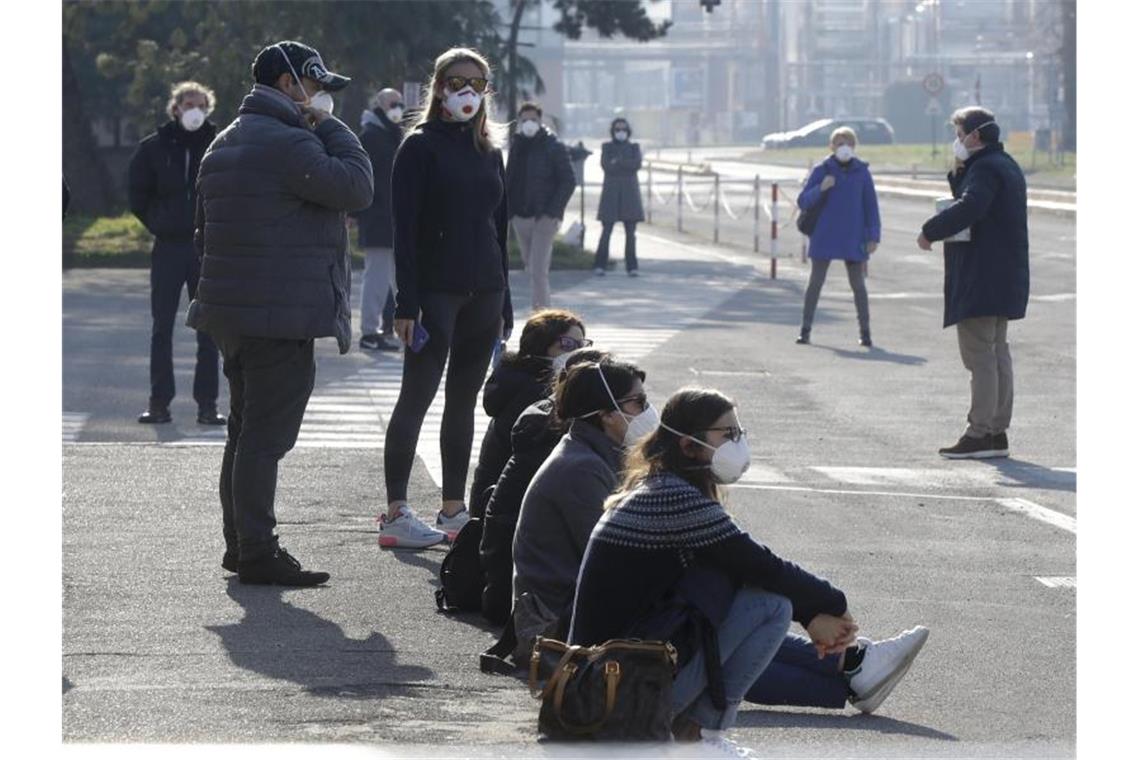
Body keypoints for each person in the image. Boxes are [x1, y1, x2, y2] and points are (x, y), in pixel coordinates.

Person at [569, 388, 928, 739]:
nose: (737, 442)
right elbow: (760, 563)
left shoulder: (662, 487)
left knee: (741, 592)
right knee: (770, 606)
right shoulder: (671, 498)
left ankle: (853, 662)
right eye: (728, 434)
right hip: (611, 692)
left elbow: (744, 567)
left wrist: (816, 614)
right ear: (689, 444)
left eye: (739, 432)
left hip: (611, 680)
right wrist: (832, 606)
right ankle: (702, 735)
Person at [187, 41, 373, 586]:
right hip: (277, 313)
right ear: (289, 84)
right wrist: (334, 128)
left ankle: (241, 544)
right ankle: (259, 551)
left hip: (232, 309)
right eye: (314, 86)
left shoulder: (226, 139)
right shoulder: (291, 143)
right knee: (265, 439)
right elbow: (358, 186)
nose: (318, 97)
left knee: (245, 433)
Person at [378, 47, 514, 549]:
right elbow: (404, 231)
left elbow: (498, 230)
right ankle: (395, 512)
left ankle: (453, 510)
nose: (467, 91)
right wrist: (405, 304)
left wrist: (505, 303)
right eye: (457, 81)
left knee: (463, 402)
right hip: (435, 295)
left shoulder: (490, 151)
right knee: (416, 397)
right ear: (438, 87)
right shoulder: (419, 147)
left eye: (477, 84)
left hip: (485, 291)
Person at [511, 360, 652, 644]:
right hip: (558, 625)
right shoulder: (581, 468)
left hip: (576, 609)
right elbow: (612, 557)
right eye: (638, 402)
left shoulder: (597, 454)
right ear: (606, 415)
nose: (647, 410)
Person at [918, 107, 1028, 460]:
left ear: (974, 136)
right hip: (1003, 275)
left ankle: (980, 432)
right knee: (997, 354)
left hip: (982, 275)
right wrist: (959, 171)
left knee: (980, 356)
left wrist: (930, 231)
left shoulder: (985, 169)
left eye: (959, 132)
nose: (956, 139)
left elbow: (971, 206)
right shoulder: (1005, 164)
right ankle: (996, 431)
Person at [479, 347, 609, 626]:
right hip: (536, 610)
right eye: (634, 401)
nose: (641, 411)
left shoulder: (558, 424)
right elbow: (602, 549)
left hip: (512, 588)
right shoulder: (574, 455)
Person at [128, 80, 225, 425]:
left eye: (200, 104)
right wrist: (158, 222)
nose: (194, 110)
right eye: (188, 104)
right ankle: (159, 403)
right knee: (161, 328)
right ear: (176, 108)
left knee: (208, 330)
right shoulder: (155, 147)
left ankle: (207, 405)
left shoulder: (219, 145)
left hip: (205, 248)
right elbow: (136, 191)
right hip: (168, 247)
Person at [468, 308, 589, 518]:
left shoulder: (513, 377)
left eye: (582, 345)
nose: (577, 353)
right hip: (505, 513)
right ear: (542, 344)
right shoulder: (536, 392)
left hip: (493, 505)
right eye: (568, 345)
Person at [795, 126, 881, 347]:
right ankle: (805, 330)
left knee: (858, 285)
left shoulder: (862, 171)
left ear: (854, 147)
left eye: (848, 143)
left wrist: (873, 236)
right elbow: (803, 201)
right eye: (839, 143)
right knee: (815, 282)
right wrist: (821, 188)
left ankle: (866, 332)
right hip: (824, 235)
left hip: (853, 237)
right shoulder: (821, 170)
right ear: (831, 146)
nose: (844, 148)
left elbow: (871, 207)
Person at [505, 102, 577, 310]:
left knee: (538, 270)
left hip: (544, 217)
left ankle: (542, 317)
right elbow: (510, 178)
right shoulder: (517, 144)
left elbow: (568, 180)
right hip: (520, 217)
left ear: (540, 120)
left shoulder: (553, 145)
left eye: (533, 120)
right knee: (531, 266)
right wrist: (509, 212)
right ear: (520, 121)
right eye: (525, 120)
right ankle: (542, 312)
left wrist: (553, 211)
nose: (529, 124)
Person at [353, 87, 405, 351]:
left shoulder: (396, 134)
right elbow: (362, 177)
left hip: (397, 218)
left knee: (400, 278)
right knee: (377, 277)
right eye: (392, 103)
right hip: (378, 217)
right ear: (380, 106)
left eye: (400, 103)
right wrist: (354, 212)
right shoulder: (372, 136)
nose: (398, 107)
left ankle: (397, 328)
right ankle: (370, 332)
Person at [594, 117, 645, 277]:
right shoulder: (607, 147)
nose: (620, 132)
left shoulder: (634, 147)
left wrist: (619, 162)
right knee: (606, 231)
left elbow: (636, 164)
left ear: (628, 131)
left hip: (630, 195)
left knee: (631, 234)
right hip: (611, 194)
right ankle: (600, 264)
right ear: (612, 131)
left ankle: (632, 266)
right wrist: (624, 163)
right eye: (617, 129)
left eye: (623, 129)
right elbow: (606, 166)